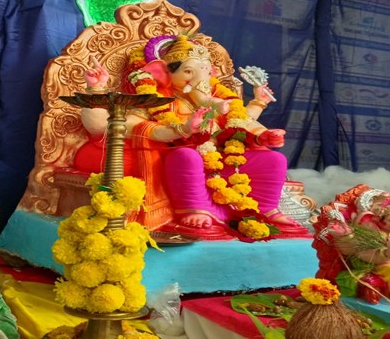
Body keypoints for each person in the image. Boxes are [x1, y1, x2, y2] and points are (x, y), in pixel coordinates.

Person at [75, 34, 306, 239]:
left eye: (205, 71)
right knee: (187, 156)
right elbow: (110, 127)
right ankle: (196, 210)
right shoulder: (157, 100)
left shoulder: (216, 99)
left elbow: (239, 123)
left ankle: (263, 208)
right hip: (180, 161)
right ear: (163, 73)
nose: (199, 79)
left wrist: (263, 136)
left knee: (273, 159)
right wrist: (185, 129)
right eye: (188, 71)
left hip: (221, 161)